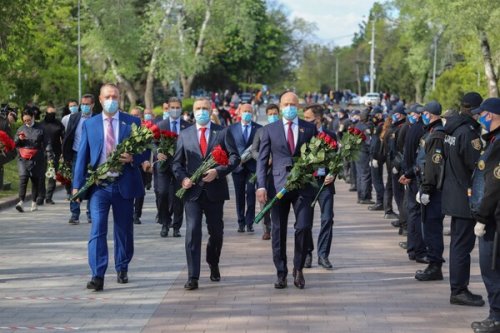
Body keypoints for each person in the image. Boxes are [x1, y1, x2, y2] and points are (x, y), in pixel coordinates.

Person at [72, 83, 147, 291]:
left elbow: (146, 150)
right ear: (100, 99)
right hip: (99, 187)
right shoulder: (91, 124)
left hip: (124, 185)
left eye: (114, 96)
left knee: (123, 230)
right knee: (97, 229)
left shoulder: (132, 122)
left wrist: (133, 157)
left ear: (119, 98)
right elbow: (82, 157)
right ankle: (98, 274)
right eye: (107, 97)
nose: (111, 100)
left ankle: (122, 266)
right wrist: (76, 186)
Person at [172, 97, 240, 290]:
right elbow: (176, 163)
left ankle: (213, 262)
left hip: (214, 191)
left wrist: (218, 171)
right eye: (198, 108)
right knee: (193, 231)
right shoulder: (184, 134)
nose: (201, 111)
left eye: (204, 108)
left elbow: (234, 157)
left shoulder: (222, 132)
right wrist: (183, 178)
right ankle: (192, 276)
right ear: (193, 112)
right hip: (192, 192)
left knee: (216, 232)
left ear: (211, 111)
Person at [256, 92, 317, 289]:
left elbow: (317, 156)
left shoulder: (309, 128)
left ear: (298, 106)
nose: (289, 107)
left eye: (293, 104)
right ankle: (280, 272)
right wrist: (262, 185)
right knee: (278, 230)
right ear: (280, 107)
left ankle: (298, 269)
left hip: (303, 186)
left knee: (303, 227)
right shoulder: (269, 130)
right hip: (277, 186)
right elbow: (262, 160)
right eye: (286, 104)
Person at [442, 92, 485, 306]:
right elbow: (477, 167)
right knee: (462, 245)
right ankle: (459, 290)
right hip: (465, 195)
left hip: (453, 193)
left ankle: (458, 287)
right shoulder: (469, 133)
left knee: (458, 244)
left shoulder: (453, 128)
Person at [469, 98, 500, 333]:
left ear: (491, 115)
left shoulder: (497, 144)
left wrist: (481, 217)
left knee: (491, 268)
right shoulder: (492, 140)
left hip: (493, 218)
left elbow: (493, 186)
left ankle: (496, 317)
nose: (479, 118)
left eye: (482, 115)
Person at [414, 101, 446, 281]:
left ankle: (435, 266)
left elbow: (434, 166)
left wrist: (426, 188)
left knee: (432, 228)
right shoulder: (431, 133)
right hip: (427, 186)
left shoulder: (437, 136)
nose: (421, 116)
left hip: (433, 191)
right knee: (428, 226)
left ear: (431, 115)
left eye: (424, 113)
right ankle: (433, 263)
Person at [302, 104, 336, 270]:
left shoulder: (331, 135)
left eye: (308, 118)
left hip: (325, 183)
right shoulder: (303, 134)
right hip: (308, 183)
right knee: (305, 221)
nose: (305, 121)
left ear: (318, 119)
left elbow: (337, 159)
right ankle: (307, 253)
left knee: (327, 218)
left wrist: (333, 173)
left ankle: (323, 255)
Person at [156, 97, 190, 237]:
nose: (175, 110)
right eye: (172, 107)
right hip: (164, 165)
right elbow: (152, 142)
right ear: (168, 108)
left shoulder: (187, 126)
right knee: (162, 193)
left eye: (177, 107)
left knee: (179, 196)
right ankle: (165, 222)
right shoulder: (160, 125)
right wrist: (157, 152)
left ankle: (176, 226)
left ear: (181, 109)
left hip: (181, 167)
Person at [399, 104, 427, 262]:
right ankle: (417, 249)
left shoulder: (412, 128)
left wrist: (406, 171)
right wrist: (410, 172)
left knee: (413, 212)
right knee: (417, 213)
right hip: (415, 175)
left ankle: (412, 248)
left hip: (410, 173)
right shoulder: (419, 129)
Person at [229, 103, 262, 233]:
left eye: (249, 111)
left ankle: (250, 222)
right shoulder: (232, 129)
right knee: (239, 195)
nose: (247, 113)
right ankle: (240, 222)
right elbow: (229, 147)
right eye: (245, 111)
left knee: (251, 194)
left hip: (252, 167)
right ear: (239, 112)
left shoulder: (259, 128)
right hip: (238, 167)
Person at [62, 94, 95, 224]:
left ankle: (91, 213)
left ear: (92, 105)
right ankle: (75, 213)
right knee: (75, 183)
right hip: (76, 154)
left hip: (92, 156)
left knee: (92, 183)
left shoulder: (97, 118)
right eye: (83, 104)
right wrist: (65, 156)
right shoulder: (74, 118)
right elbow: (67, 136)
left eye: (87, 104)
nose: (84, 106)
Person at [251, 104, 279, 240]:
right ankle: (266, 229)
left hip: (279, 172)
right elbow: (254, 151)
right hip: (264, 171)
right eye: (271, 114)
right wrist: (264, 158)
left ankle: (277, 227)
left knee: (278, 201)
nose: (273, 116)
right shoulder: (261, 131)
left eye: (275, 113)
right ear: (267, 115)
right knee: (264, 202)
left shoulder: (282, 131)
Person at [15, 108, 45, 212]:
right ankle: (21, 202)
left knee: (35, 179)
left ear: (33, 117)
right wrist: (19, 139)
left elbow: (46, 143)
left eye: (29, 120)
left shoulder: (41, 128)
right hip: (23, 157)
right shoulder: (20, 129)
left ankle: (34, 202)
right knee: (23, 178)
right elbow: (15, 143)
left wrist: (49, 155)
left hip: (36, 157)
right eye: (25, 121)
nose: (27, 122)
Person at [129, 107, 153, 224]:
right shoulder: (126, 129)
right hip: (128, 164)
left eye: (137, 115)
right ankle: (129, 211)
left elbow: (148, 148)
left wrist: (145, 161)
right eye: (133, 114)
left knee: (140, 190)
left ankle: (136, 214)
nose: (135, 117)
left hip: (141, 164)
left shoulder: (145, 131)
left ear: (141, 117)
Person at [38, 105, 65, 205]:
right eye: (49, 113)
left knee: (51, 175)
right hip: (41, 154)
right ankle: (40, 196)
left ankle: (48, 197)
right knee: (40, 176)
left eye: (53, 114)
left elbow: (64, 138)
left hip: (54, 154)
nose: (51, 115)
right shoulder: (40, 125)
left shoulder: (59, 124)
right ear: (46, 113)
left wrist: (63, 152)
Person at [368, 106, 385, 211]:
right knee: (376, 180)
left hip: (376, 156)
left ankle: (381, 202)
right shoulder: (377, 125)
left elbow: (377, 144)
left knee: (377, 180)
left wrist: (375, 157)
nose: (373, 117)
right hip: (374, 155)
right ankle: (380, 201)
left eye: (374, 115)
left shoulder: (381, 126)